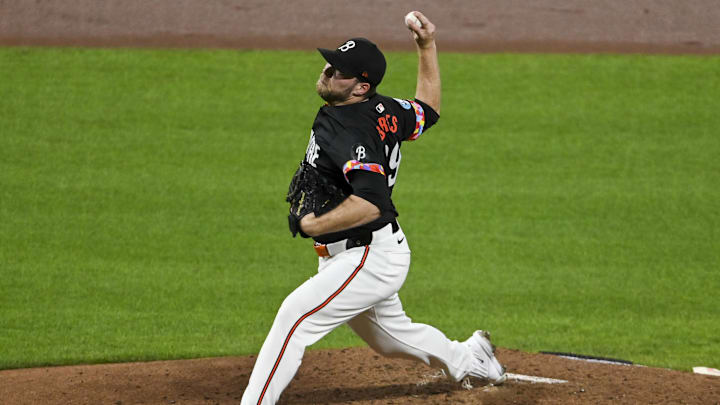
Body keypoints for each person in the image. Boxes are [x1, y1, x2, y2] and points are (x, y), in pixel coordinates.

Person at [241, 11, 506, 405]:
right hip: (364, 253)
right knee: (391, 337)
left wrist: (316, 225)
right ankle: (471, 359)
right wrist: (427, 47)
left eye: (340, 71)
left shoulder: (351, 130)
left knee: (294, 319)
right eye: (331, 62)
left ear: (361, 87)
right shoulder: (385, 109)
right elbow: (427, 110)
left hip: (368, 255)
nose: (329, 70)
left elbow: (372, 203)